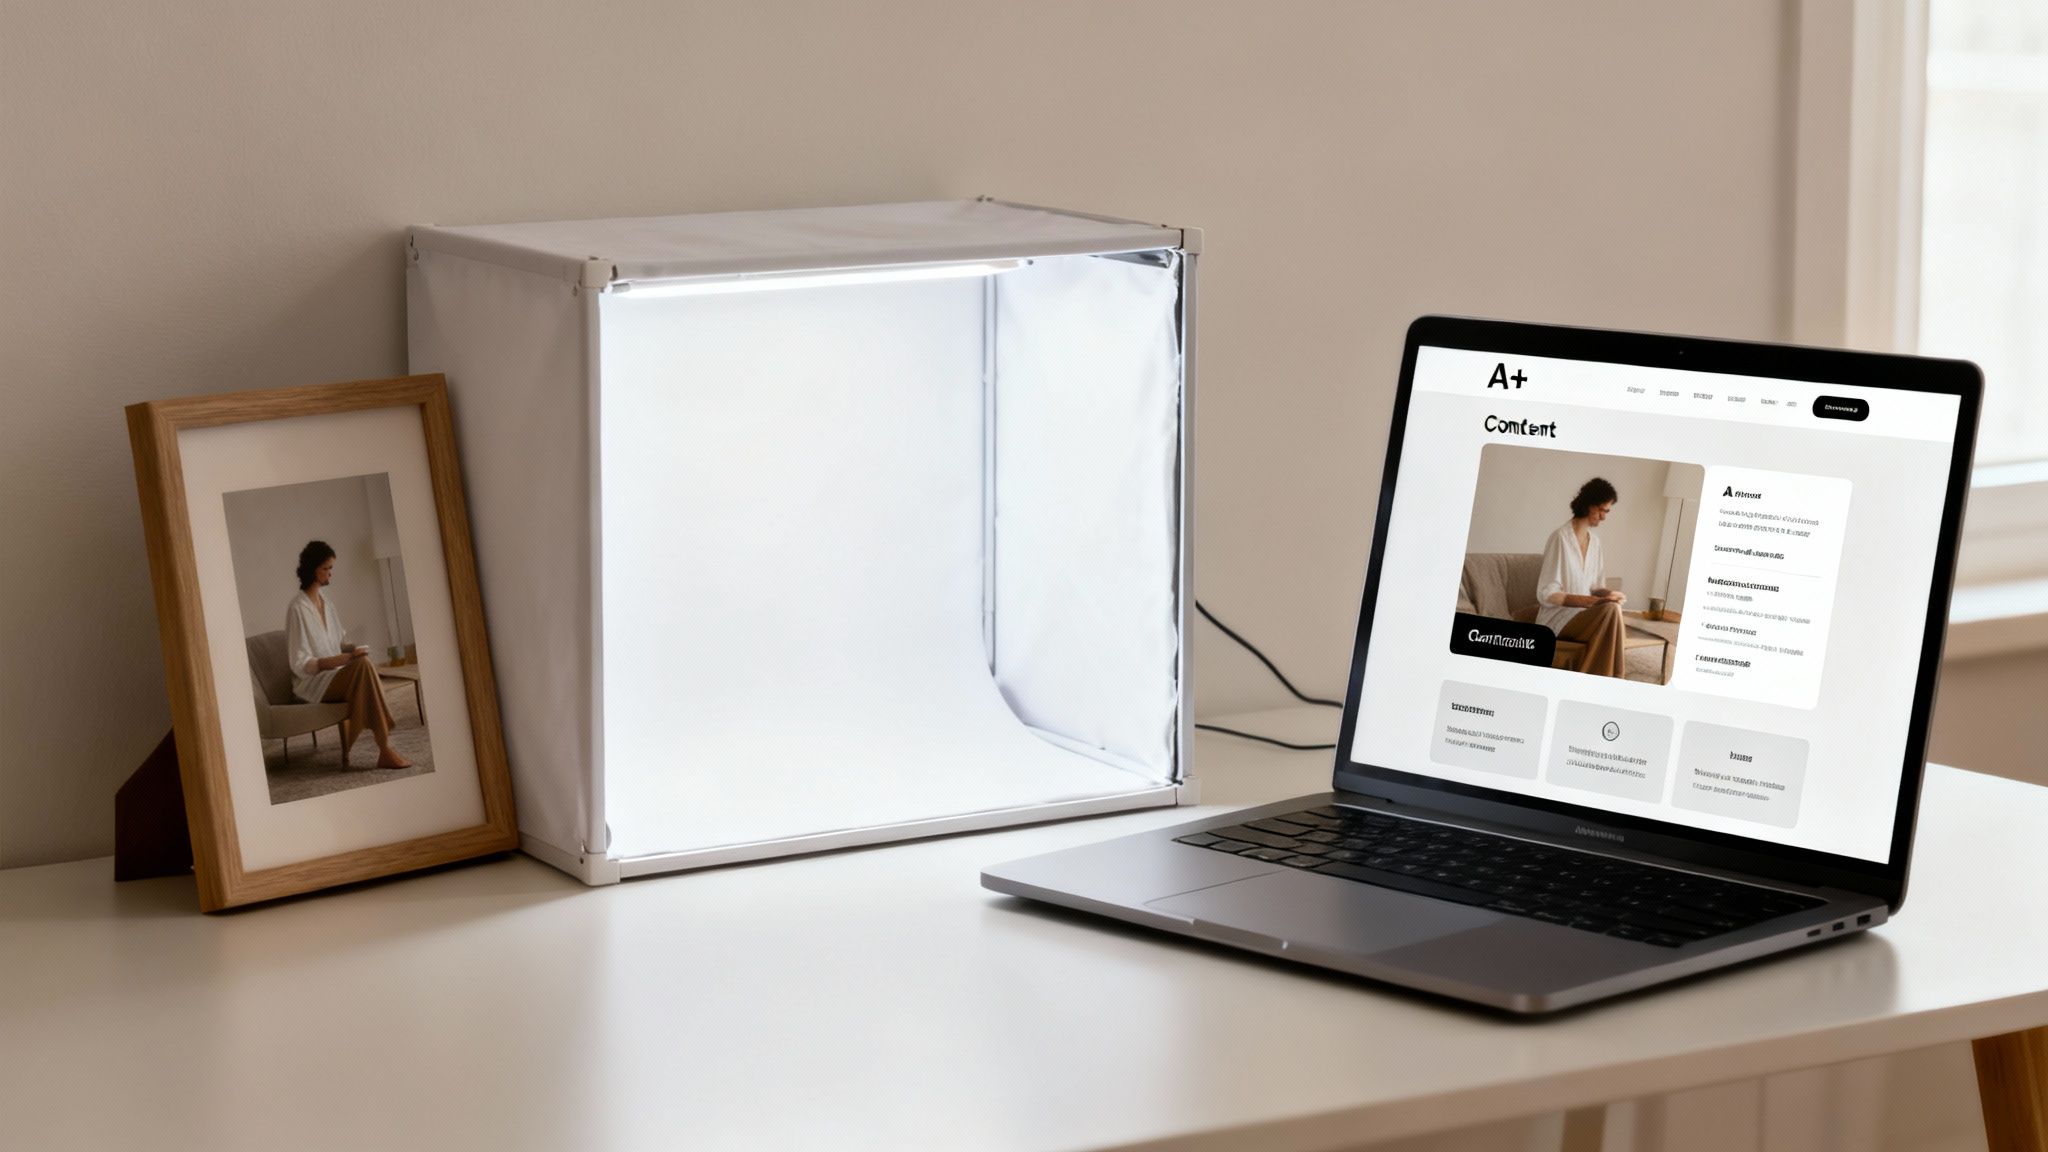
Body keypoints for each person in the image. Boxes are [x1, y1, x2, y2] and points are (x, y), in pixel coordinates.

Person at [286, 540, 412, 769]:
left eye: (331, 568)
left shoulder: (328, 604)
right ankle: (384, 746)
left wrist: (352, 650)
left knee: (363, 661)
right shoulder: (297, 609)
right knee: (362, 667)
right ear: (313, 569)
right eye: (327, 568)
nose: (330, 574)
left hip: (336, 675)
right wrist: (341, 660)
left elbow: (340, 641)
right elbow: (299, 663)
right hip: (312, 683)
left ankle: (384, 747)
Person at [1535, 478, 1629, 678]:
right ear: (1590, 505)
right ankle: (1615, 679)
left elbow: (1595, 586)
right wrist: (1594, 602)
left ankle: (1595, 680)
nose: (1604, 517)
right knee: (1610, 611)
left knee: (1613, 607)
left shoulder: (1595, 543)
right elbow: (1547, 594)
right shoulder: (1559, 538)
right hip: (1557, 619)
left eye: (1607, 512)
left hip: (1584, 616)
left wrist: (1611, 594)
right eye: (1603, 510)